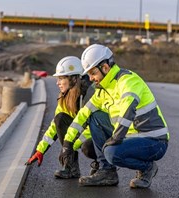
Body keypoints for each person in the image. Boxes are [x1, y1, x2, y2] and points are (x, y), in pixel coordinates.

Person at [59, 44, 169, 188]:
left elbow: (127, 112)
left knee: (111, 152)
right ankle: (107, 172)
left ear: (105, 68)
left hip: (154, 141)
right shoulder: (103, 89)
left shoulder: (128, 81)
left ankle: (147, 167)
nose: (90, 78)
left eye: (93, 73)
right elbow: (83, 115)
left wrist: (115, 138)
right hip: (131, 135)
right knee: (94, 118)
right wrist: (68, 145)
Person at [25, 56, 96, 179]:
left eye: (61, 78)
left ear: (74, 79)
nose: (57, 83)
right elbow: (55, 124)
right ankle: (70, 167)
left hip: (101, 135)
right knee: (60, 118)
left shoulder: (89, 95)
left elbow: (96, 126)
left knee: (87, 147)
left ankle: (102, 164)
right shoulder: (65, 96)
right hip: (84, 132)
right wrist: (40, 150)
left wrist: (69, 146)